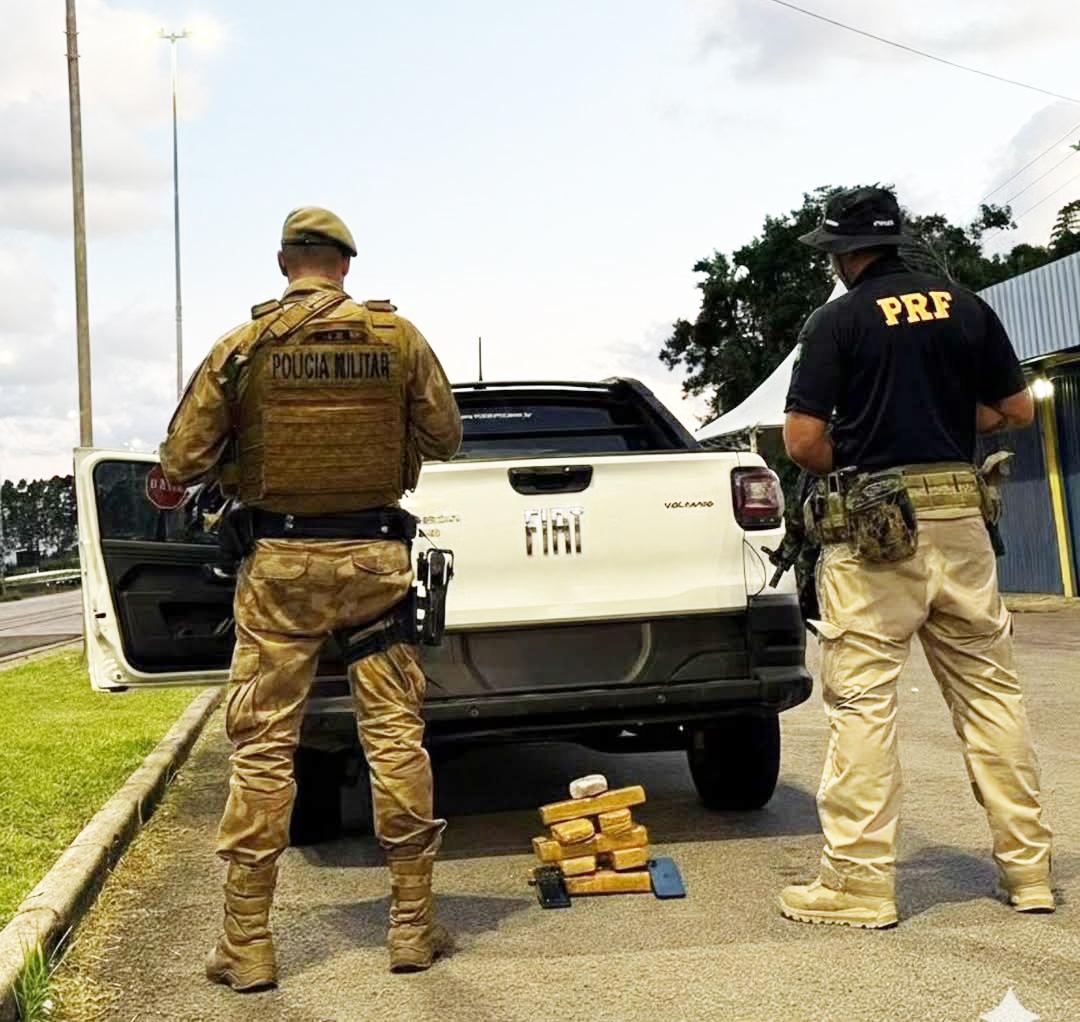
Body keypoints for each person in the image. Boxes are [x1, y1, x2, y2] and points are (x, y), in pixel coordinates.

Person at [159, 206, 462, 987]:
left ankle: (249, 945)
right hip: (374, 563)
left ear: (284, 262)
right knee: (394, 737)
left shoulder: (244, 345)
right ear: (345, 267)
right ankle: (411, 930)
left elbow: (185, 455)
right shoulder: (399, 340)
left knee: (264, 748)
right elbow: (445, 437)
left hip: (281, 567)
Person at [778, 186, 1053, 929]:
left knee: (865, 704)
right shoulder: (966, 305)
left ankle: (861, 884)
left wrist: (863, 451)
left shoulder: (837, 320)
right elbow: (1017, 411)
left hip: (875, 536)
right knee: (991, 696)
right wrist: (942, 420)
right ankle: (1028, 872)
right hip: (961, 520)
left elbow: (802, 443)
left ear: (842, 254)